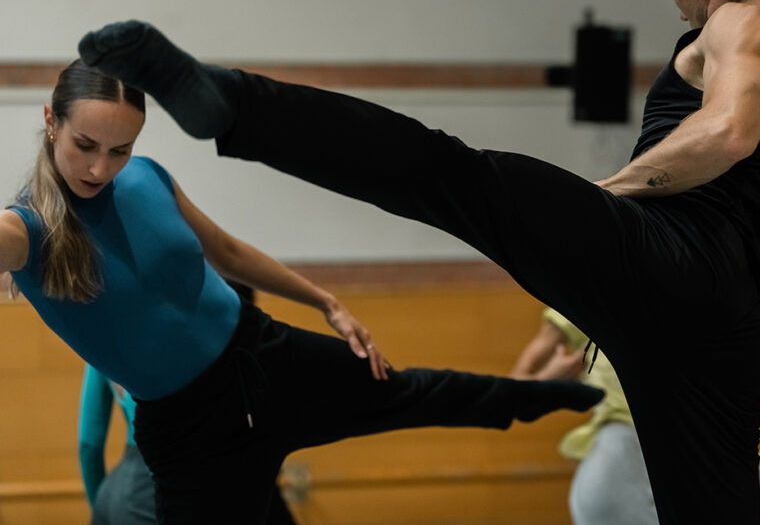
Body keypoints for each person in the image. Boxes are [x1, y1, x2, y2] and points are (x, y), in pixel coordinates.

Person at [74, 0, 760, 523]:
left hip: (670, 263)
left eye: (676, 0)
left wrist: (601, 197)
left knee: (454, 176)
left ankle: (234, 106)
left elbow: (728, 133)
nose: (683, 14)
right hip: (737, 341)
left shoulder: (741, 26)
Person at [0, 61, 604, 525]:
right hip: (192, 436)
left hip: (266, 358)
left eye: (120, 149)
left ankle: (557, 398)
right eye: (86, 146)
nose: (101, 169)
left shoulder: (148, 177)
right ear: (52, 121)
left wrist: (326, 302)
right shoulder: (23, 231)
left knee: (416, 392)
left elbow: (230, 253)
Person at [512, 309, 760, 525]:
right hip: (635, 445)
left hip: (680, 443)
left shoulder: (686, 295)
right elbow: (514, 388)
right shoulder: (586, 296)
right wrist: (553, 376)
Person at [78, 282, 296, 525]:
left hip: (113, 492)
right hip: (159, 488)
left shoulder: (104, 345)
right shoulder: (199, 347)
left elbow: (89, 444)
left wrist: (100, 505)